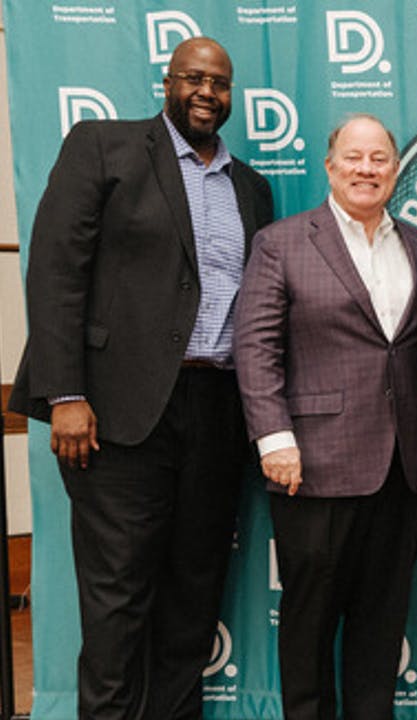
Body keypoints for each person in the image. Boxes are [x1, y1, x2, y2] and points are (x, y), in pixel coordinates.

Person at [6, 37, 273, 719]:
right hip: (115, 411)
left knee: (192, 597)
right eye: (193, 78)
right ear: (168, 82)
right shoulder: (105, 146)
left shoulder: (251, 187)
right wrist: (67, 394)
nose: (207, 92)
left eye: (220, 82)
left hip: (216, 409)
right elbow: (57, 268)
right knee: (118, 598)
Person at [232, 114, 417, 720]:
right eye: (354, 157)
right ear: (329, 166)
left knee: (381, 623)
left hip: (403, 466)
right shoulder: (283, 241)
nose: (366, 169)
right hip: (312, 464)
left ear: (396, 169)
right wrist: (273, 438)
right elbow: (255, 347)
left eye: (379, 159)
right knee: (309, 619)